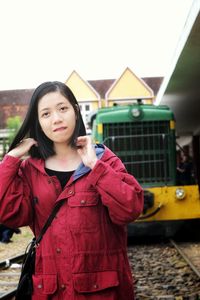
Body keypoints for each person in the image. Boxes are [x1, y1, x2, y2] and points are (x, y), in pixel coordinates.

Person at [0, 81, 143, 300]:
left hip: (102, 293)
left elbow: (130, 208)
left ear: (76, 111)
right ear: (38, 122)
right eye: (46, 114)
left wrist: (96, 168)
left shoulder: (103, 159)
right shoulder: (30, 170)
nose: (56, 118)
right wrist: (10, 159)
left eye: (63, 108)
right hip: (51, 292)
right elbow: (8, 213)